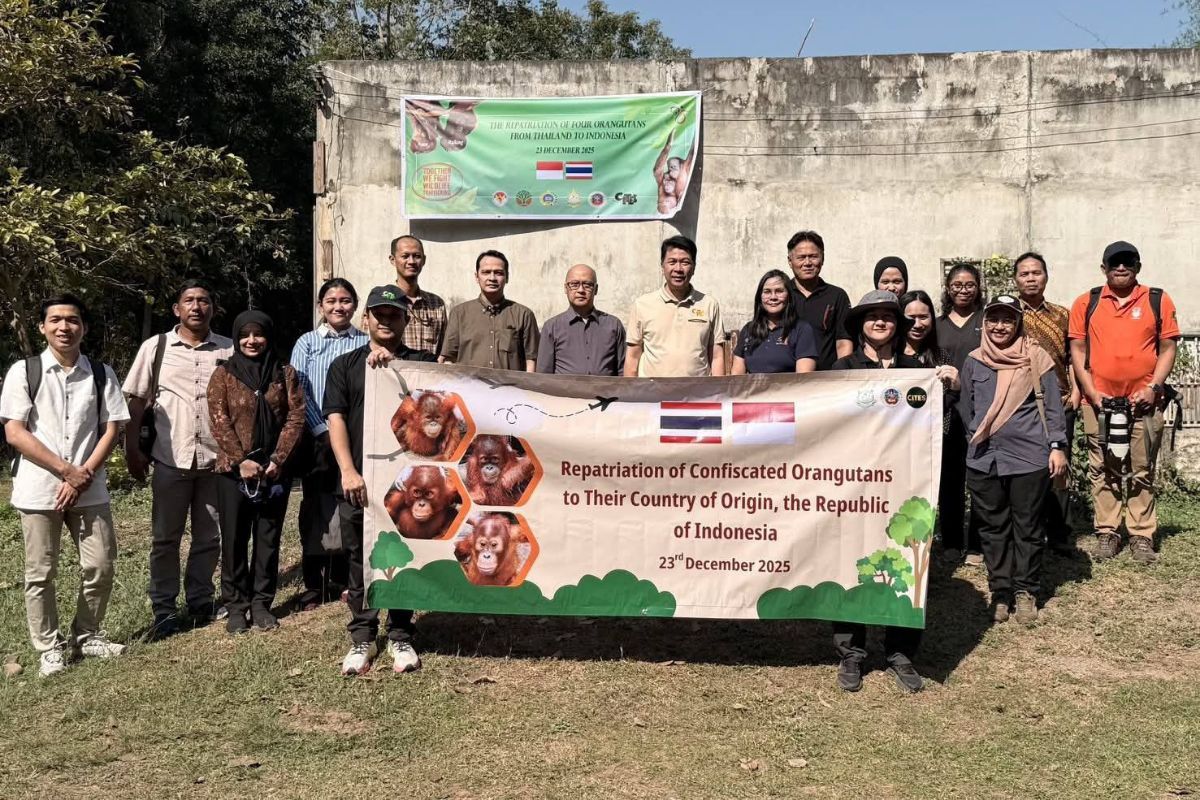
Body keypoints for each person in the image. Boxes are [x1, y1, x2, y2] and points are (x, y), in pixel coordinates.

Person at [1, 295, 130, 677]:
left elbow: (112, 427)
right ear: (42, 327)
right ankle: (49, 647)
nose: (64, 327)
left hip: (90, 488)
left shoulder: (102, 373)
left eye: (72, 320)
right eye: (55, 320)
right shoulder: (24, 372)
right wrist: (64, 471)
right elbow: (14, 432)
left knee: (101, 564)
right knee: (40, 572)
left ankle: (87, 635)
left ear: (83, 328)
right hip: (39, 489)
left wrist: (83, 473)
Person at [324, 285, 439, 675]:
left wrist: (396, 371)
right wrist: (348, 471)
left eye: (393, 315)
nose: (385, 320)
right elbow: (335, 418)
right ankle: (362, 636)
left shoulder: (422, 364)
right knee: (359, 558)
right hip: (361, 482)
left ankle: (401, 634)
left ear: (406, 320)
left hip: (407, 482)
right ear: (366, 319)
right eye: (379, 314)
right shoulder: (344, 366)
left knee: (402, 555)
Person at [123, 280, 233, 638]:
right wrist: (132, 449)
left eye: (204, 300)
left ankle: (201, 600)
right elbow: (137, 401)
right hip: (170, 459)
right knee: (165, 538)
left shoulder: (229, 350)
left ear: (213, 308)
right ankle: (165, 609)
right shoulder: (156, 348)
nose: (196, 307)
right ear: (176, 309)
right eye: (189, 301)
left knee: (209, 536)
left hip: (215, 462)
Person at [829, 290, 924, 694]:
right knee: (849, 562)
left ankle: (900, 651)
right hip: (854, 486)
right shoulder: (842, 369)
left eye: (889, 316)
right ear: (861, 325)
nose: (881, 322)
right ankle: (851, 651)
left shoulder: (916, 371)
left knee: (905, 564)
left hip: (904, 485)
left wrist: (946, 388)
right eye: (872, 317)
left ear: (898, 325)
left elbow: (938, 426)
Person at [959, 295, 1069, 625]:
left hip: (1029, 458)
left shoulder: (1037, 357)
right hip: (984, 459)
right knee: (993, 529)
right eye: (994, 318)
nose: (999, 326)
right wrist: (976, 437)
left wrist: (1057, 446)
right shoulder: (974, 361)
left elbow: (1052, 406)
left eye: (1008, 319)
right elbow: (966, 407)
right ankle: (1001, 591)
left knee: (1028, 527)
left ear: (1018, 322)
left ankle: (1026, 591)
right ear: (985, 322)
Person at [1069, 241, 1180, 564]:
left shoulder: (1156, 300)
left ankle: (1142, 534)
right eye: (1114, 262)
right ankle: (1107, 531)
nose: (1121, 268)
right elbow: (1077, 350)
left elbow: (1168, 347)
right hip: (1099, 403)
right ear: (1103, 268)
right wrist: (1091, 391)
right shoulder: (1086, 302)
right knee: (1102, 467)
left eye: (1128, 262)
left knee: (1141, 468)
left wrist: (1153, 386)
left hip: (1143, 404)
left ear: (1138, 267)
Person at [208, 311, 306, 633]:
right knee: (234, 539)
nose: (252, 341)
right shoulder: (223, 374)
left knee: (268, 538)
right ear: (236, 338)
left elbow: (295, 417)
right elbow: (218, 421)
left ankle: (261, 602)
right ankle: (236, 605)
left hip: (273, 471)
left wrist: (278, 459)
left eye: (258, 334)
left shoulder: (284, 373)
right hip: (234, 472)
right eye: (245, 335)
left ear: (268, 337)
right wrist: (240, 461)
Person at [289, 278, 367, 610]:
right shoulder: (307, 343)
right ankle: (315, 581)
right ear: (321, 306)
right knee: (317, 507)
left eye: (346, 300)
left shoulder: (364, 342)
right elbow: (297, 390)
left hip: (356, 438)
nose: (339, 306)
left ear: (355, 305)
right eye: (332, 300)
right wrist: (321, 430)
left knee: (352, 507)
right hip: (318, 437)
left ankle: (348, 578)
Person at [1013, 252, 1080, 554]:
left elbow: (1074, 358)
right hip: (1022, 404)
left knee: (1059, 468)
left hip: (1060, 400)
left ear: (1046, 276)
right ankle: (1030, 531)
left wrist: (1077, 390)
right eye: (1024, 273)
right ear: (1015, 279)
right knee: (1026, 469)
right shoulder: (1008, 314)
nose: (1030, 278)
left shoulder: (1062, 314)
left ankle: (1060, 534)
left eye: (1036, 272)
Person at [935, 263, 986, 565]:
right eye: (957, 284)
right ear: (948, 288)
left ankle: (978, 544)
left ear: (978, 287)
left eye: (969, 284)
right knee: (950, 479)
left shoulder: (986, 321)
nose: (963, 290)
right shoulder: (938, 324)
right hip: (944, 411)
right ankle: (952, 541)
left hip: (981, 410)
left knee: (980, 478)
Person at [625, 235, 727, 377]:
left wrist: (717, 393)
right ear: (662, 266)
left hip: (697, 394)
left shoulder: (709, 304)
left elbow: (717, 356)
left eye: (685, 262)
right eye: (672, 262)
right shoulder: (642, 305)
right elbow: (632, 357)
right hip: (654, 395)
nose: (678, 269)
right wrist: (633, 395)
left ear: (694, 267)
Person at [440, 250, 539, 371]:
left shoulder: (524, 315)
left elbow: (531, 360)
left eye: (498, 273)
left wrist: (526, 388)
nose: (492, 278)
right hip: (469, 388)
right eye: (486, 272)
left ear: (507, 277)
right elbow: (447, 359)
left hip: (510, 388)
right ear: (477, 277)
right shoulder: (459, 313)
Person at [536, 264, 626, 376]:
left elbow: (623, 372)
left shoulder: (613, 325)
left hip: (606, 393)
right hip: (564, 393)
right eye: (574, 284)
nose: (581, 290)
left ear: (596, 289)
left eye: (587, 285)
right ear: (566, 288)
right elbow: (543, 376)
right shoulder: (552, 327)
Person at [784, 231, 852, 370]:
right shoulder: (780, 295)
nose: (807, 263)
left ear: (822, 259)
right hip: (785, 381)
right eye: (801, 257)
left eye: (813, 257)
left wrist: (842, 376)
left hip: (826, 380)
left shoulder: (837, 296)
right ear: (790, 261)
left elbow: (843, 342)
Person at [730, 270, 818, 374]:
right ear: (760, 297)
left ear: (789, 295)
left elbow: (803, 379)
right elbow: (737, 377)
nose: (773, 297)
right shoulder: (749, 330)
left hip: (788, 389)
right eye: (767, 292)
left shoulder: (801, 329)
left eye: (779, 291)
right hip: (754, 390)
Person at [389, 235, 447, 355]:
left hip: (429, 372)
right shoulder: (382, 301)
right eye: (405, 256)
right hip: (393, 373)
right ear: (393, 260)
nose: (411, 261)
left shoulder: (437, 304)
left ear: (424, 260)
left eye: (417, 256)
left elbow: (443, 351)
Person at [654, 125, 696, 215]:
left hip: (671, 206)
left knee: (658, 171)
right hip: (673, 207)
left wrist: (668, 145)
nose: (670, 170)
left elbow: (657, 170)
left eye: (672, 167)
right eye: (670, 167)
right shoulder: (680, 182)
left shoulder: (667, 183)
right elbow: (691, 156)